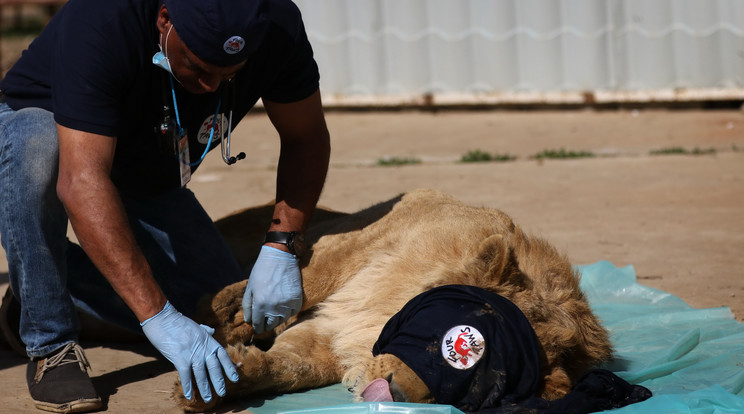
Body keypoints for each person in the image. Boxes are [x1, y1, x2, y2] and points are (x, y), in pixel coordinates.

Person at [0, 0, 330, 411]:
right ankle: (50, 341)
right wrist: (158, 317)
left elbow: (307, 137)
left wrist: (282, 245)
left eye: (229, 74)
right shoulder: (103, 17)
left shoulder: (275, 23)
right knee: (38, 147)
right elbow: (81, 180)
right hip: (55, 126)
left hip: (147, 157)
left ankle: (39, 296)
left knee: (225, 318)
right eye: (197, 65)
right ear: (164, 19)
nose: (210, 86)